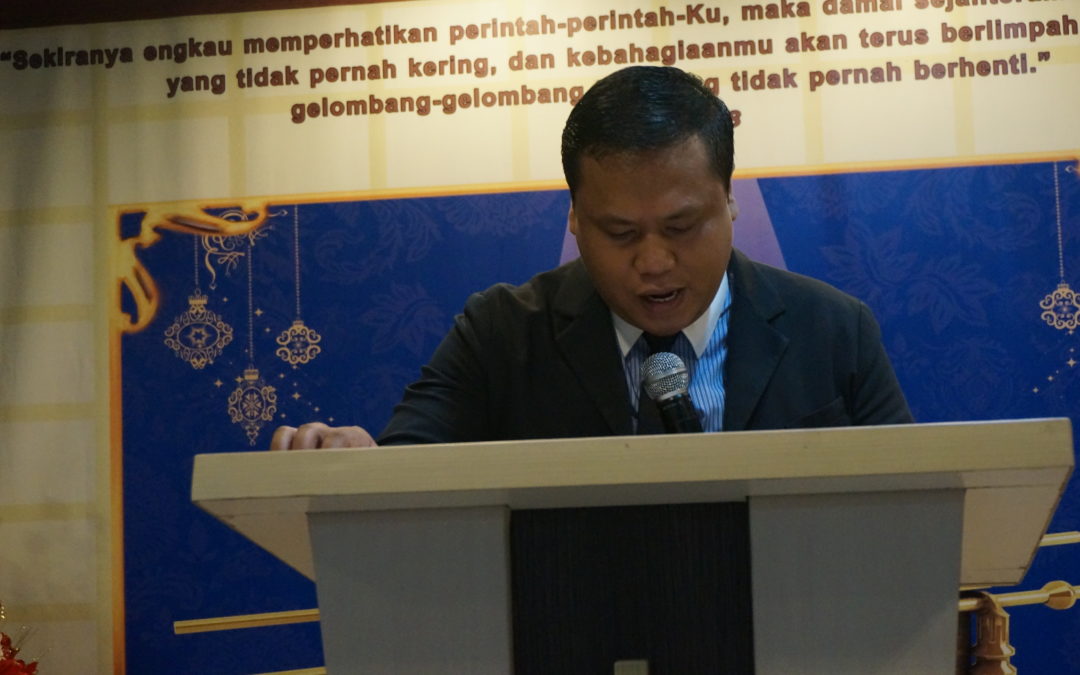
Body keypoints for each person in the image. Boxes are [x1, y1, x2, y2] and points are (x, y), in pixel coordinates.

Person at [271, 65, 911, 451]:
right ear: (575, 218)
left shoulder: (834, 330)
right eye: (620, 232)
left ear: (729, 201)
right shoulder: (500, 335)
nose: (654, 262)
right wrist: (360, 461)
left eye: (682, 226)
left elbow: (910, 503)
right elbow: (406, 469)